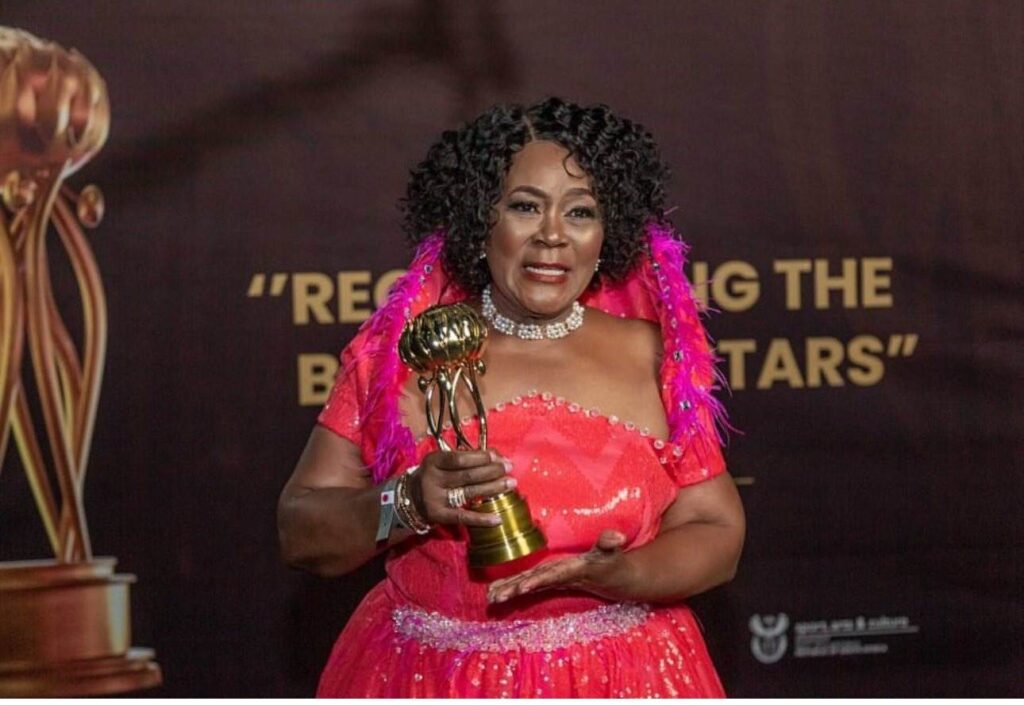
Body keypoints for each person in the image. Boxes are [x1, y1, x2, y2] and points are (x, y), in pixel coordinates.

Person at [277, 97, 746, 698]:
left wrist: (625, 574)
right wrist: (409, 501)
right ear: (479, 222)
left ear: (608, 233)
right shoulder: (398, 356)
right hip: (432, 680)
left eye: (581, 213)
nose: (553, 236)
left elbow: (716, 529)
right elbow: (301, 530)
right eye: (526, 207)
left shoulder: (654, 355)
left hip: (627, 678)